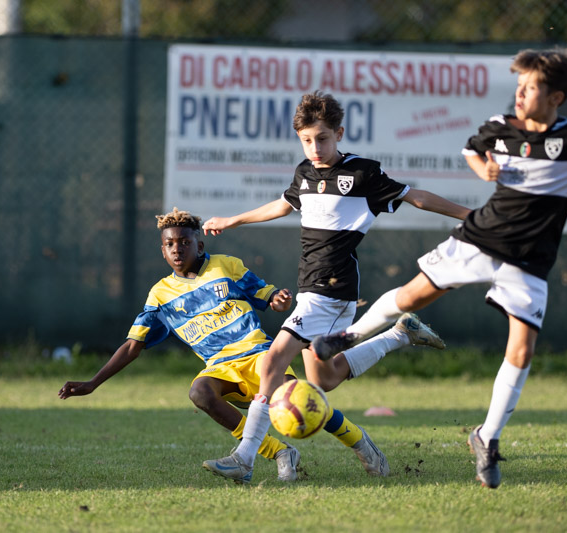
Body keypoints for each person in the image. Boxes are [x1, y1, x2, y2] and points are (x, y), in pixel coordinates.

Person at [310, 48, 567, 489]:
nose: (520, 93)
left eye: (531, 87)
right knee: (412, 296)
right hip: (480, 238)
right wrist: (484, 167)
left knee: (522, 350)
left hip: (529, 260)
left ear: (556, 97)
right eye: (519, 85)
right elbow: (471, 149)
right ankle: (348, 337)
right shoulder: (501, 127)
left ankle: (487, 437)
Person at [200, 90, 471, 483]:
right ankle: (399, 335)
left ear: (339, 134)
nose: (315, 148)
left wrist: (471, 216)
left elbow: (418, 198)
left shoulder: (362, 173)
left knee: (273, 362)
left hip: (331, 291)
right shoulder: (304, 172)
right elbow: (282, 205)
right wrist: (233, 219)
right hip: (312, 289)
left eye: (322, 139)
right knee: (323, 380)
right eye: (307, 140)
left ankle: (244, 458)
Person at [58, 208, 302, 482]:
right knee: (199, 391)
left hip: (260, 355)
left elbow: (268, 295)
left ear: (200, 246)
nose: (177, 249)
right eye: (170, 244)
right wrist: (93, 383)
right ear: (162, 251)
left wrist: (279, 300)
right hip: (221, 367)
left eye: (185, 242)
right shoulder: (160, 295)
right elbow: (132, 346)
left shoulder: (225, 266)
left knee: (299, 403)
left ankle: (344, 434)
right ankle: (278, 452)